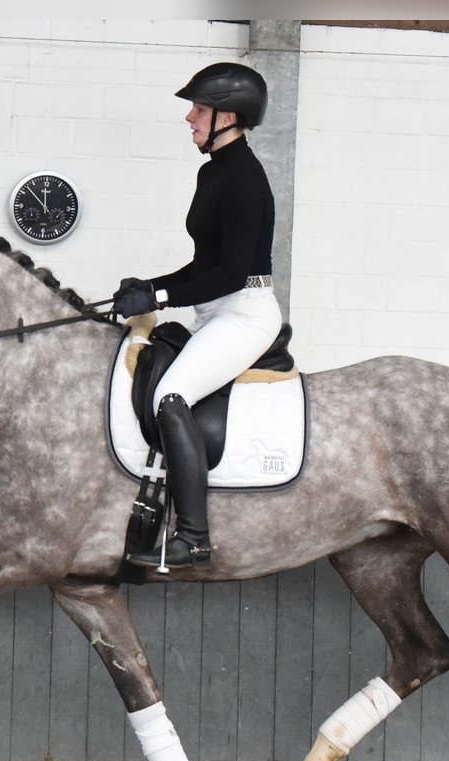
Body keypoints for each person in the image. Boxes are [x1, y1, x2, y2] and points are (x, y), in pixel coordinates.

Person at [112, 61, 282, 570]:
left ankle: (194, 536)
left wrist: (160, 301)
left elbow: (231, 273)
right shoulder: (213, 172)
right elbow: (202, 266)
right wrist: (152, 286)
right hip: (216, 309)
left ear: (228, 117)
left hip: (245, 312)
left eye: (199, 109)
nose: (190, 118)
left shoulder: (246, 178)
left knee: (171, 395)